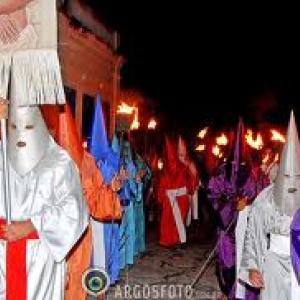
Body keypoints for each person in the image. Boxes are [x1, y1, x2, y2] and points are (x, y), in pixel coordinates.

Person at [0, 103, 88, 299]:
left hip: (40, 257)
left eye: (28, 127)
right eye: (14, 127)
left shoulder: (59, 162)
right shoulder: (1, 156)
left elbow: (74, 209)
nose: (21, 134)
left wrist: (33, 224)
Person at [239, 111, 300, 299]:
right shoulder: (266, 198)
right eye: (287, 176)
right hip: (273, 264)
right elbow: (253, 233)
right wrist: (253, 267)